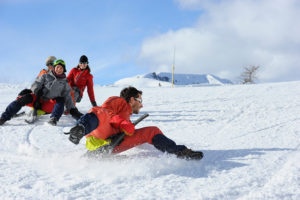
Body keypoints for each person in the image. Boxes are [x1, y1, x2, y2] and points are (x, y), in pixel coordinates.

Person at [66, 86, 204, 160]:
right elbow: (106, 112)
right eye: (140, 101)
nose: (141, 105)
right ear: (132, 99)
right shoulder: (118, 101)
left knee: (152, 131)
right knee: (100, 112)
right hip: (98, 137)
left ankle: (180, 152)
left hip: (113, 143)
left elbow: (121, 124)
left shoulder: (127, 116)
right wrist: (123, 124)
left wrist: (125, 127)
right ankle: (80, 128)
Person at [0, 59, 83, 126]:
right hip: (38, 99)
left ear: (63, 70)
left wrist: (73, 110)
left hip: (50, 104)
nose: (59, 69)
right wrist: (37, 93)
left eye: (61, 68)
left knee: (61, 100)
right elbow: (36, 84)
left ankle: (54, 119)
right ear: (54, 68)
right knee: (24, 98)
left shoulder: (65, 83)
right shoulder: (45, 76)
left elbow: (68, 97)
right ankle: (4, 118)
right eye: (57, 67)